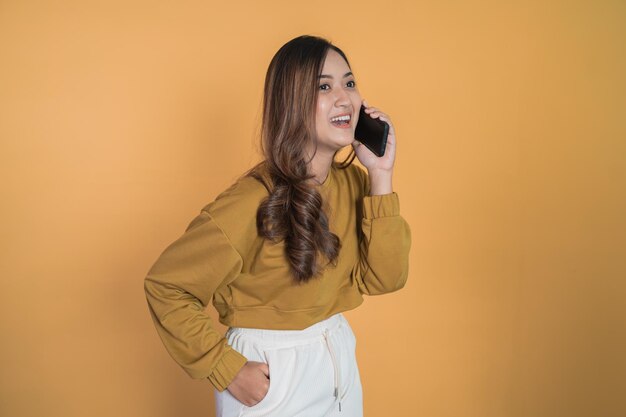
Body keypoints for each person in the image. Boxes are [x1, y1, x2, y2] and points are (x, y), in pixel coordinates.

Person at [144, 34, 411, 417]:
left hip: (337, 360)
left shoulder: (355, 183)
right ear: (291, 102)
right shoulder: (249, 202)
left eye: (349, 83)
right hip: (272, 376)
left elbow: (386, 279)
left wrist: (381, 175)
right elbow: (166, 285)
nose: (344, 98)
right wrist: (226, 368)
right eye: (324, 86)